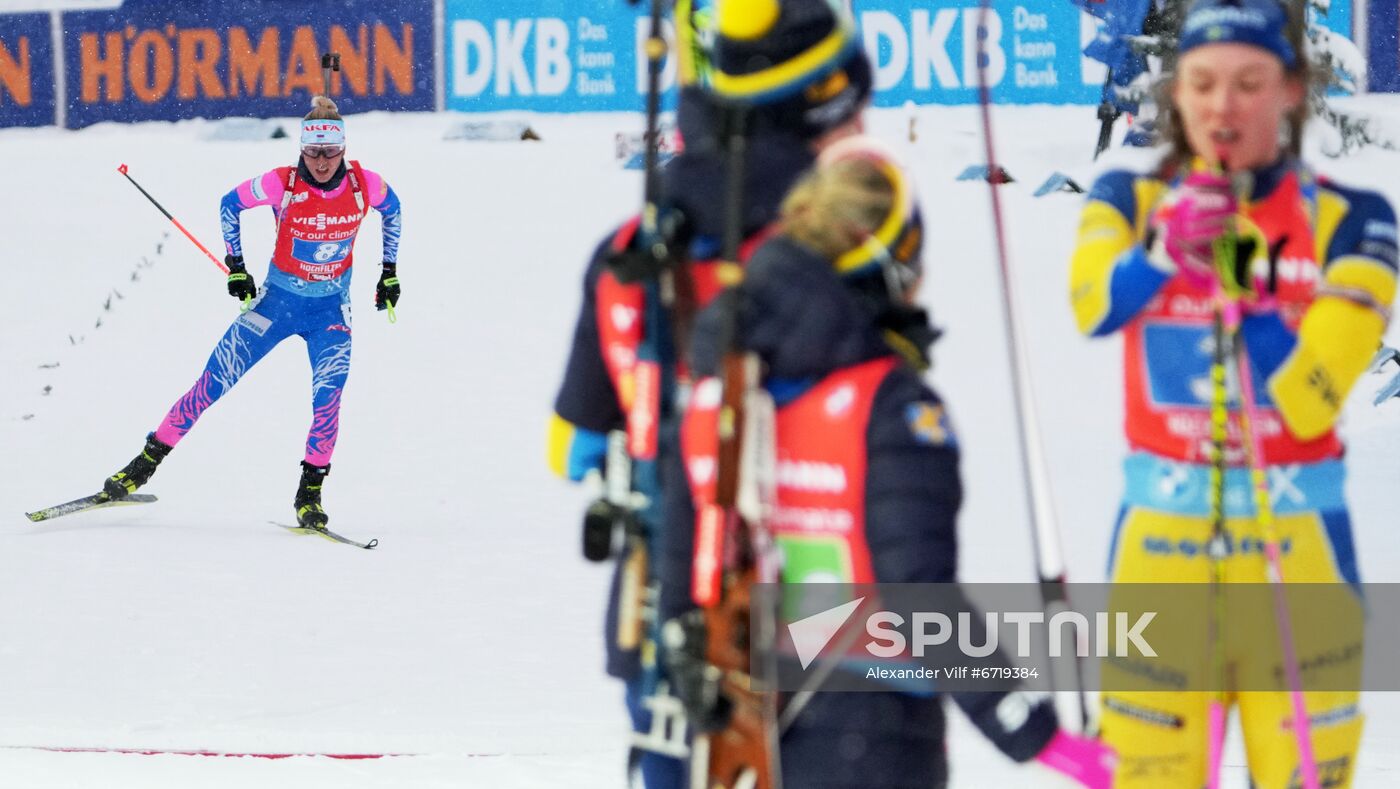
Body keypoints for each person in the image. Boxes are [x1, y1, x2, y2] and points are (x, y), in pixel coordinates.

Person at [677, 136, 1113, 788]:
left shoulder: (719, 387)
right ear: (897, 263)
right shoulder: (894, 406)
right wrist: (1035, 733)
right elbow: (920, 595)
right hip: (874, 731)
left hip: (747, 725)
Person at [1069, 0, 1396, 785]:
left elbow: (1311, 399)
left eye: (1250, 81)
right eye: (1204, 82)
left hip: (1301, 553)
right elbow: (1094, 305)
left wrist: (1245, 292)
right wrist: (1159, 251)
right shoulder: (1127, 197)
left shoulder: (1355, 220)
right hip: (1160, 554)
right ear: (1176, 92)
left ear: (1290, 89)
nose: (1224, 104)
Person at [545, 1, 873, 785]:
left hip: (659, 609)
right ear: (822, 112)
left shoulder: (630, 249)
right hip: (815, 620)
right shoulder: (842, 255)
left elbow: (572, 447)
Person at [100, 96, 403, 531]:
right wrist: (237, 267)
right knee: (212, 382)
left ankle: (309, 495)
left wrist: (388, 273)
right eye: (313, 152)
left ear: (343, 149)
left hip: (330, 312)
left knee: (328, 399)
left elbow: (393, 212)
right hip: (275, 305)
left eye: (330, 152)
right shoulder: (281, 183)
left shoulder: (364, 185)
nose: (321, 162)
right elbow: (230, 204)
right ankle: (143, 465)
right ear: (302, 148)